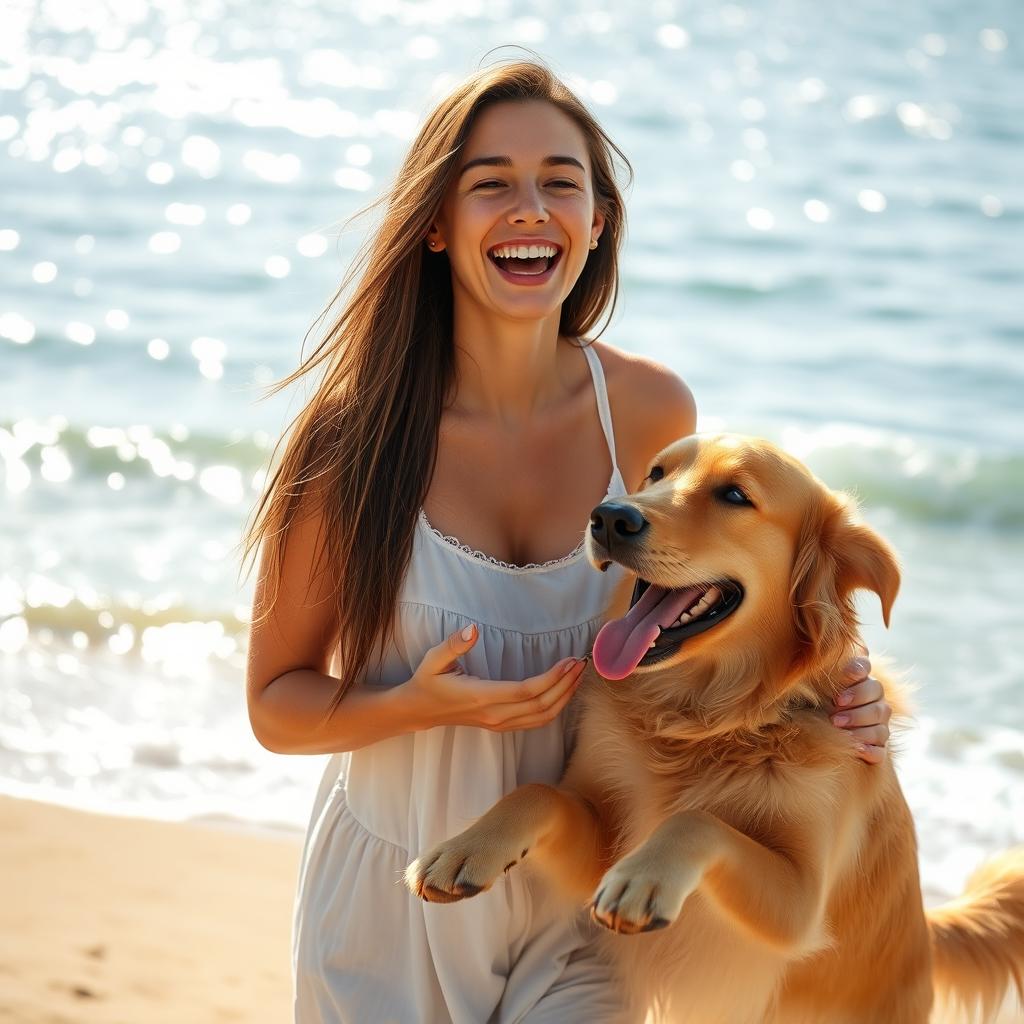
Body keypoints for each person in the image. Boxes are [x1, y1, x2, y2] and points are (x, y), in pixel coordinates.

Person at [242, 58, 892, 1024]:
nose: (530, 208)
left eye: (561, 182)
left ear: (597, 223)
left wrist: (846, 694)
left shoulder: (647, 409)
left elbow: (727, 594)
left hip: (588, 904)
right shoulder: (355, 445)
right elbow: (275, 705)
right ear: (434, 224)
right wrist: (413, 705)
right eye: (491, 183)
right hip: (389, 899)